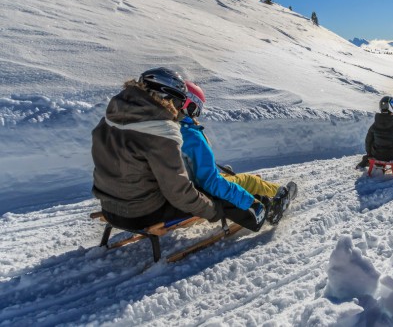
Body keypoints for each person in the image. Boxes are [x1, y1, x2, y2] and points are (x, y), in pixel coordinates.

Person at [91, 67, 264, 232]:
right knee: (211, 193)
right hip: (140, 214)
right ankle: (257, 218)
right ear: (167, 98)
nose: (180, 110)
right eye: (180, 101)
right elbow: (179, 192)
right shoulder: (161, 132)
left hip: (109, 208)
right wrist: (213, 210)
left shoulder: (111, 118)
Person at [180, 81, 297, 225]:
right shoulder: (190, 135)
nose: (197, 114)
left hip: (186, 188)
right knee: (250, 180)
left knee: (229, 177)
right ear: (188, 105)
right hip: (200, 190)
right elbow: (210, 182)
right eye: (197, 109)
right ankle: (280, 197)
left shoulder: (170, 130)